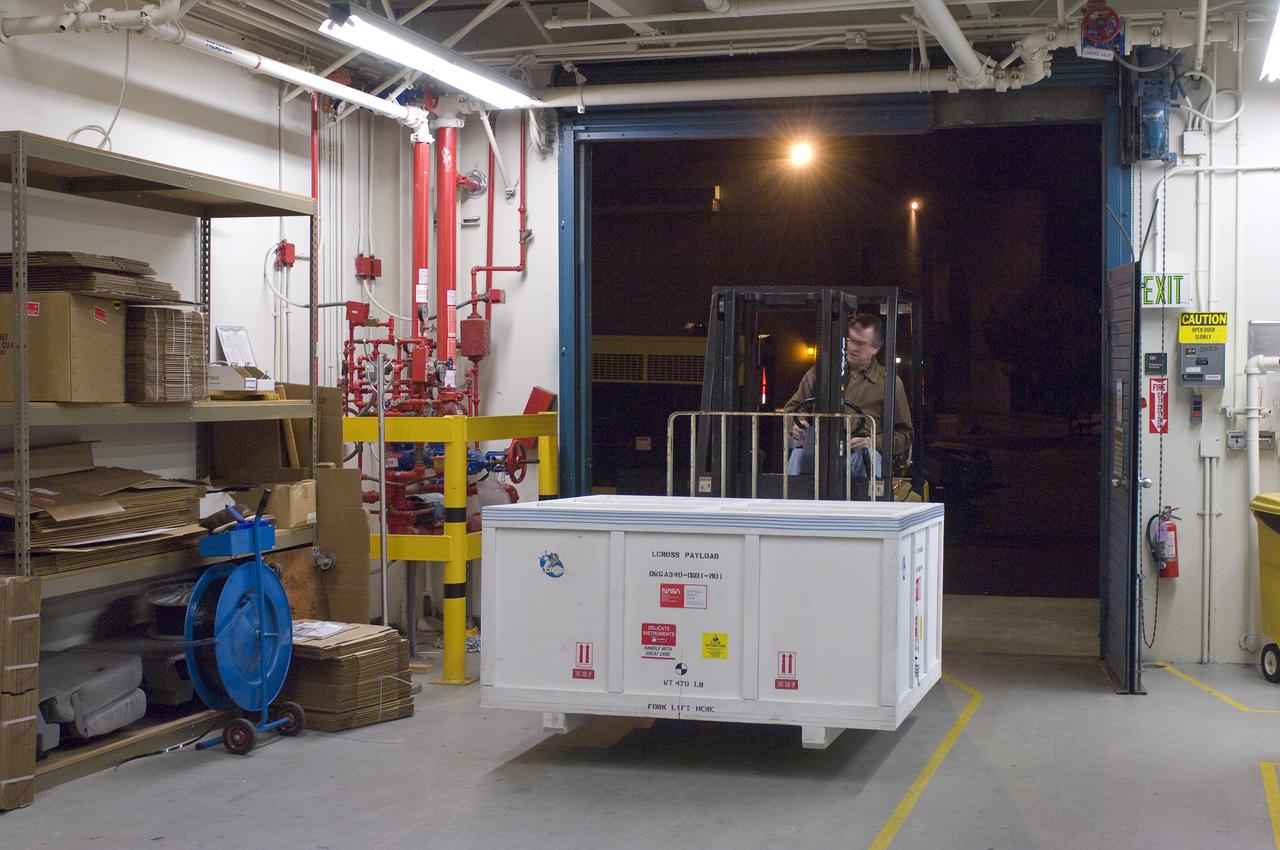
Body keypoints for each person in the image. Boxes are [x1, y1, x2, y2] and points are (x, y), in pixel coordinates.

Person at [782, 313, 914, 480]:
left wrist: (873, 442)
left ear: (875, 348)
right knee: (798, 455)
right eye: (851, 340)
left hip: (860, 452)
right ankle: (792, 501)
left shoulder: (889, 383)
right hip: (819, 449)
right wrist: (798, 422)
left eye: (860, 343)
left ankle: (865, 503)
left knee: (870, 458)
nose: (852, 348)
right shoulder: (820, 373)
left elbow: (905, 433)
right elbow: (792, 408)